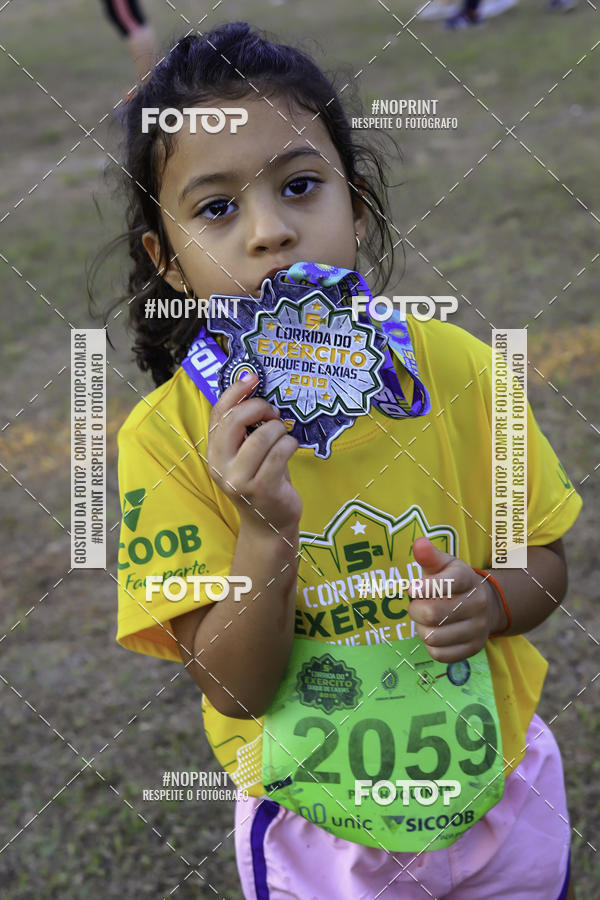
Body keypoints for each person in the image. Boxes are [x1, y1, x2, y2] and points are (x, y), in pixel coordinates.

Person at [104, 21, 580, 899]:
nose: (270, 232)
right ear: (167, 261)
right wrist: (263, 532)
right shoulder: (165, 442)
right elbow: (232, 689)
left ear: (354, 208)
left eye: (299, 186)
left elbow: (546, 564)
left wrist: (493, 599)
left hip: (501, 791)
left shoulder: (460, 373)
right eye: (217, 209)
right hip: (318, 830)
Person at [100, 0, 158, 82]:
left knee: (149, 80)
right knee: (148, 80)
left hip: (138, 33)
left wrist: (133, 30)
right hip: (138, 32)